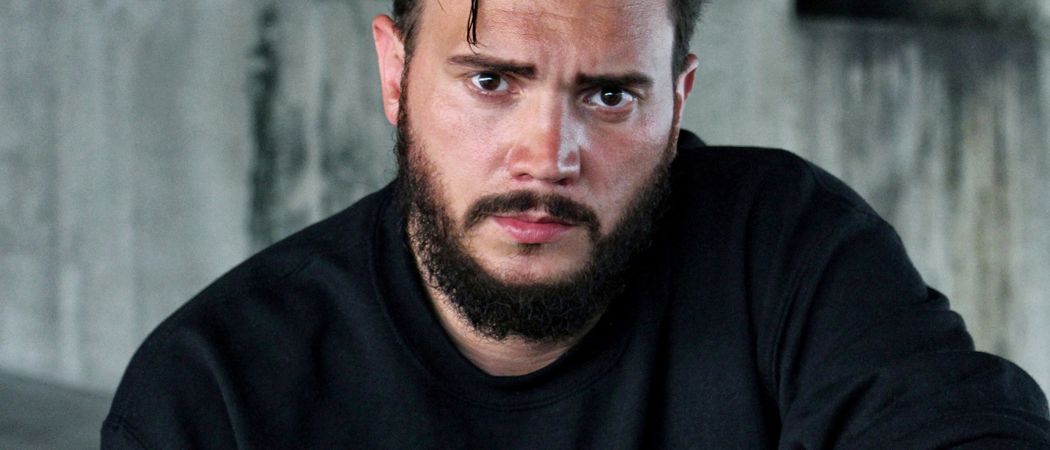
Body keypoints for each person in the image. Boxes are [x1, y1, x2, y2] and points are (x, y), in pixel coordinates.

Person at [102, 0, 1050, 448]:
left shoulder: (787, 253)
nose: (548, 156)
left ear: (677, 102)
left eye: (608, 96)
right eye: (490, 81)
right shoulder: (216, 392)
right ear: (395, 75)